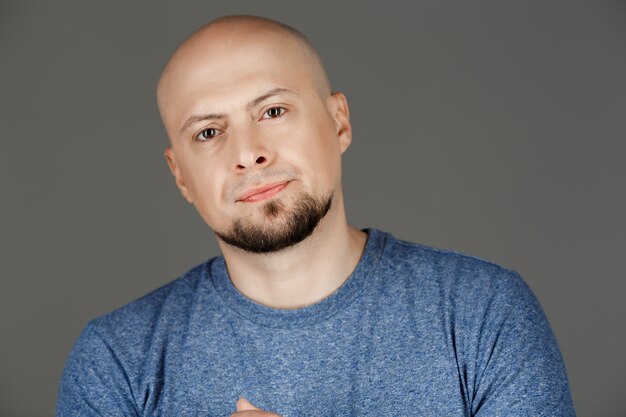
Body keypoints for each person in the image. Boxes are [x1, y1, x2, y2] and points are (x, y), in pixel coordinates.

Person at [56, 15, 575, 417]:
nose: (248, 153)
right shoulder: (117, 362)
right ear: (180, 176)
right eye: (208, 133)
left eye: (273, 111)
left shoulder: (486, 315)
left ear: (339, 122)